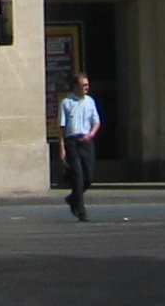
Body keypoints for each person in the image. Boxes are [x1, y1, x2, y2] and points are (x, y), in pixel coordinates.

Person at [56, 72, 101, 222]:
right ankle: (80, 210)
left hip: (86, 141)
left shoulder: (90, 101)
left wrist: (91, 134)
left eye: (87, 85)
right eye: (83, 85)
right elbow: (62, 127)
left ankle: (72, 197)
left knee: (88, 177)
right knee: (78, 176)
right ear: (76, 87)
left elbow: (96, 122)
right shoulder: (66, 102)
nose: (86, 88)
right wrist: (62, 147)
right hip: (72, 141)